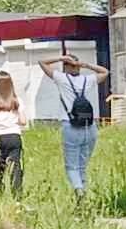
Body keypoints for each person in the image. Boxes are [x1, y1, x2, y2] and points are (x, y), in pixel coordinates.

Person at [44, 53, 110, 197]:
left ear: (66, 66)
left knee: (72, 167)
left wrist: (60, 58)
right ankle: (84, 194)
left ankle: (79, 191)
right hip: (89, 126)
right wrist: (86, 65)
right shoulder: (88, 80)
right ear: (79, 67)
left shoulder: (62, 79)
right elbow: (105, 72)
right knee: (82, 165)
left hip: (71, 126)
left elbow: (42, 63)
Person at [0, 70, 26, 199]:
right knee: (15, 168)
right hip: (14, 136)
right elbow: (23, 121)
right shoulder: (17, 100)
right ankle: (17, 196)